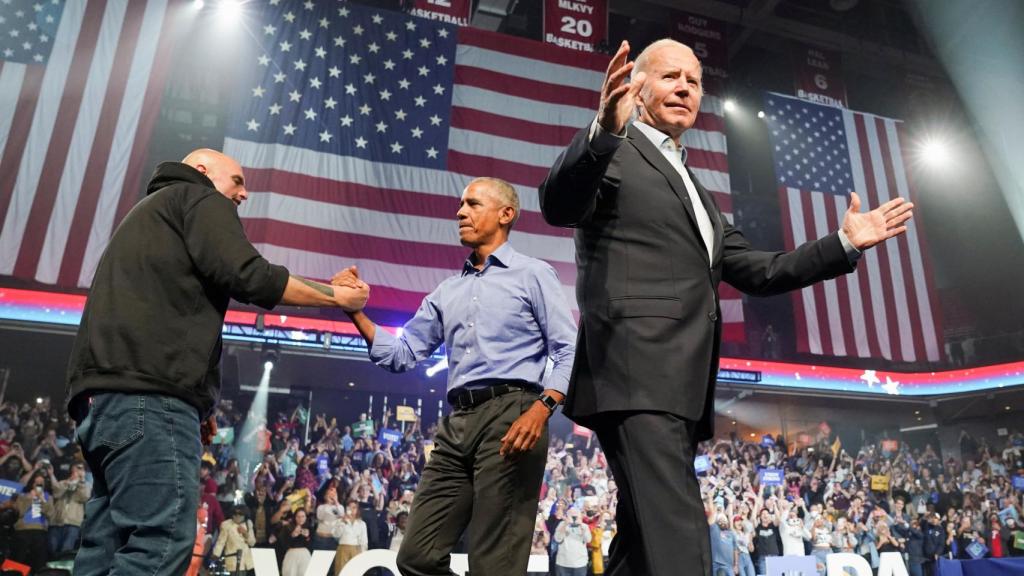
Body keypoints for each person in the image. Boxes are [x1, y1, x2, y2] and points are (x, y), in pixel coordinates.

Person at [538, 38, 914, 576]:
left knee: (645, 541)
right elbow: (558, 204)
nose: (685, 88)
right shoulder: (615, 151)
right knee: (681, 534)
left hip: (679, 384)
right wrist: (601, 133)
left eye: (693, 81)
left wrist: (844, 243)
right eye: (670, 77)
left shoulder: (696, 188)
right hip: (636, 371)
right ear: (636, 87)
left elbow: (760, 271)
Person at [65, 148, 370, 576]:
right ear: (202, 171)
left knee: (104, 545)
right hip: (150, 399)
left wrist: (199, 403)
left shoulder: (144, 217)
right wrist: (336, 296)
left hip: (101, 405)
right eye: (238, 181)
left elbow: (168, 312)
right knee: (160, 541)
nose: (244, 194)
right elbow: (249, 274)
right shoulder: (198, 198)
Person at [336, 177, 577, 576]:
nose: (460, 212)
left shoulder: (533, 275)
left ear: (506, 214)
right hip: (456, 425)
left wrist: (543, 407)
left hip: (514, 416)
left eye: (472, 204)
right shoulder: (446, 291)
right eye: (460, 205)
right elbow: (402, 354)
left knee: (493, 564)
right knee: (416, 557)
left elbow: (568, 349)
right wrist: (357, 313)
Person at [49, 461, 90, 556]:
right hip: (56, 521)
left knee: (66, 551)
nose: (79, 470)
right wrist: (69, 482)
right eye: (78, 467)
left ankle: (62, 570)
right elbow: (56, 493)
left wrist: (81, 480)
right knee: (51, 549)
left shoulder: (85, 485)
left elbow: (84, 497)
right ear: (72, 469)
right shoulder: (63, 482)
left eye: (82, 468)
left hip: (73, 523)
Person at [212, 506, 256, 575]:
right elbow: (221, 541)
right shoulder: (226, 525)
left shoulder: (248, 524)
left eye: (240, 514)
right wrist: (216, 554)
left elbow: (252, 543)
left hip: (246, 561)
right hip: (232, 561)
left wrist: (245, 534)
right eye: (235, 514)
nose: (237, 516)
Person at [554, 507, 593, 576]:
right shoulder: (562, 524)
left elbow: (588, 540)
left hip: (580, 563)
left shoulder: (584, 526)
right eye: (571, 514)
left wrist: (580, 524)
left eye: (576, 514)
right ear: (567, 515)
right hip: (563, 563)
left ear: (580, 516)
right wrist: (565, 524)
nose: (574, 516)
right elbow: (557, 539)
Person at [333, 500, 368, 576]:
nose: (351, 510)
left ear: (357, 510)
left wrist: (363, 555)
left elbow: (364, 542)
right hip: (343, 549)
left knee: (355, 573)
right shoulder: (340, 521)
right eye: (349, 507)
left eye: (354, 507)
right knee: (341, 572)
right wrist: (343, 522)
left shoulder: (361, 523)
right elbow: (336, 535)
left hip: (356, 550)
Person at [280, 509, 312, 576]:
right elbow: (283, 543)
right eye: (298, 516)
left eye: (303, 516)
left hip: (305, 555)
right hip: (291, 554)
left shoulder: (310, 528)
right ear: (295, 517)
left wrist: (307, 537)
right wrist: (292, 535)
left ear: (306, 517)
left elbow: (311, 545)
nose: (301, 519)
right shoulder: (287, 527)